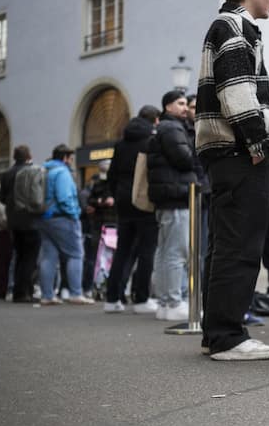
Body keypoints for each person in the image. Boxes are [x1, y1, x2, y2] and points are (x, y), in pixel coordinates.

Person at [196, 0, 269, 360]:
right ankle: (229, 337)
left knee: (225, 244)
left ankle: (217, 332)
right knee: (240, 244)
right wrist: (256, 142)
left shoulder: (228, 24)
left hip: (226, 152)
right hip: (238, 150)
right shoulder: (234, 25)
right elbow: (236, 89)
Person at [104, 105, 160, 314]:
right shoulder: (150, 141)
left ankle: (112, 299)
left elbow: (112, 174)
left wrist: (117, 194)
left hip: (123, 201)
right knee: (147, 251)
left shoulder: (121, 143)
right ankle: (142, 298)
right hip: (144, 200)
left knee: (122, 250)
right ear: (155, 120)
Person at [148, 91, 196, 321]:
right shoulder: (172, 128)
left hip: (167, 197)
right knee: (176, 253)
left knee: (165, 252)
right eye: (181, 103)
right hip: (177, 196)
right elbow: (185, 158)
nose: (185, 107)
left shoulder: (164, 127)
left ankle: (165, 301)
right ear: (168, 106)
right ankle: (174, 301)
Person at [36, 144, 94, 305]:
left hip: (44, 218)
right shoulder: (62, 172)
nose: (71, 161)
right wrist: (74, 214)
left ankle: (47, 295)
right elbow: (64, 197)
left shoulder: (45, 171)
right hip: (62, 218)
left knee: (48, 257)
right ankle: (76, 293)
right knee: (76, 254)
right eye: (70, 158)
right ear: (65, 158)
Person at [0, 145, 38, 303]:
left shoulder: (6, 174)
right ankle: (24, 291)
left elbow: (2, 198)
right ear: (28, 156)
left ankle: (17, 290)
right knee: (30, 256)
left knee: (19, 254)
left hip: (13, 220)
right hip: (30, 218)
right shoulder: (31, 171)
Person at [82, 159, 116, 296]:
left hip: (109, 225)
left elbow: (91, 202)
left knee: (104, 258)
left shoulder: (113, 186)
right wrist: (100, 202)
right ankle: (93, 286)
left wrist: (99, 203)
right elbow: (91, 201)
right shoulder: (98, 185)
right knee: (97, 258)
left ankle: (101, 286)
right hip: (103, 225)